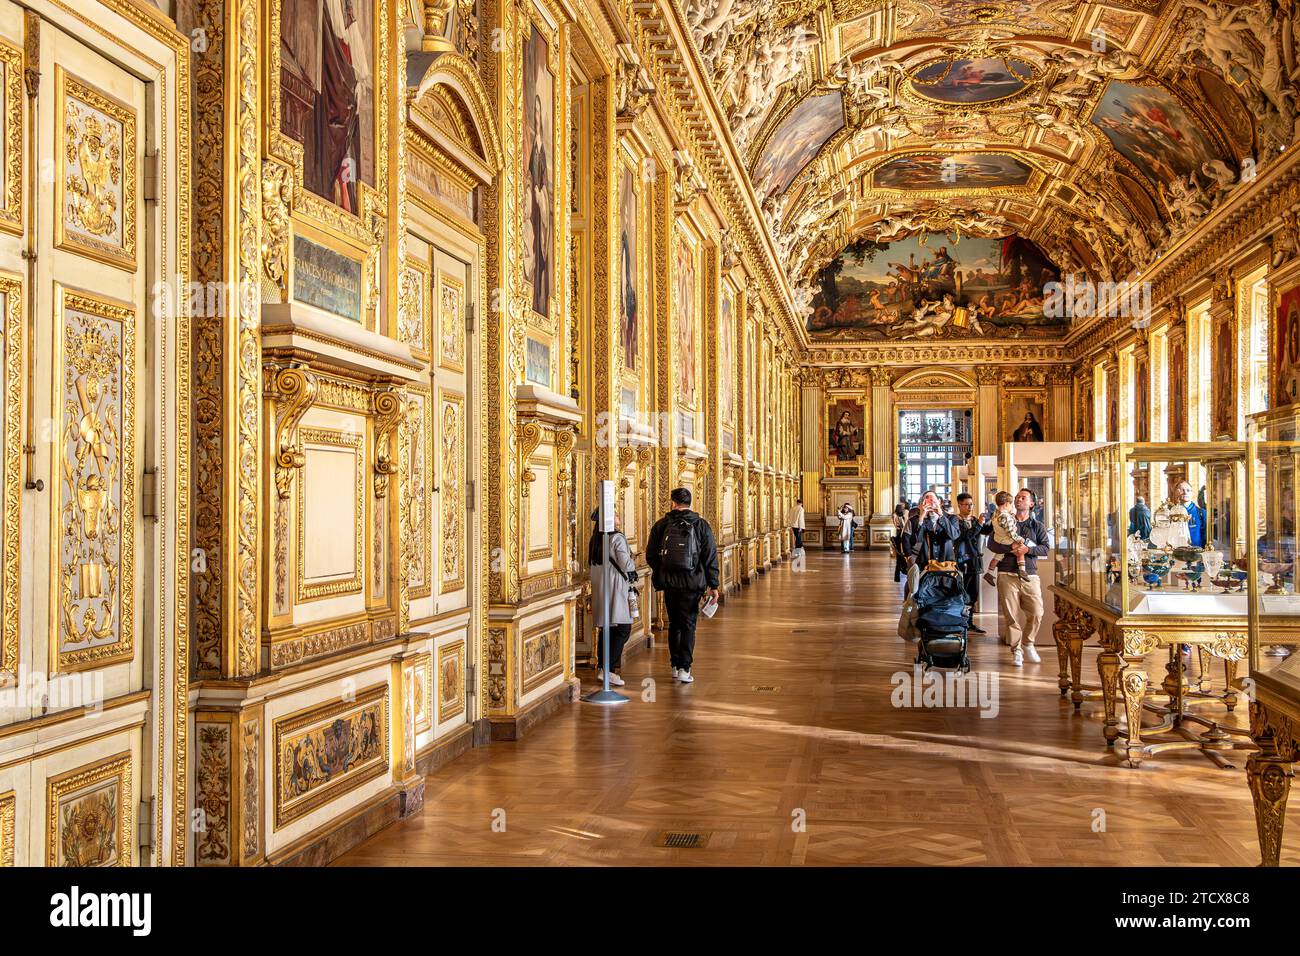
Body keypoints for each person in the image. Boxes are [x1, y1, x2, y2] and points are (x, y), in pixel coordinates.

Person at [646, 488, 720, 683]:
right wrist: (713, 584)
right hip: (692, 583)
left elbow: (651, 555)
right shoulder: (701, 526)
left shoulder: (661, 525)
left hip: (670, 583)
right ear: (690, 503)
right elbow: (710, 556)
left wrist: (663, 570)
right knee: (688, 625)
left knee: (674, 624)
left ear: (673, 503)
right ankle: (685, 669)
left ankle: (674, 665)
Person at [988, 488, 1051, 667]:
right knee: (1011, 616)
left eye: (1023, 498)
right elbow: (991, 543)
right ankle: (1016, 650)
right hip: (1006, 573)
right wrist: (1011, 548)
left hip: (1029, 574)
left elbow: (1045, 548)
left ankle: (1029, 643)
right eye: (1017, 497)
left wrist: (1027, 550)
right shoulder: (1004, 519)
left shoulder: (1037, 526)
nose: (1018, 500)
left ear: (1031, 504)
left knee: (1037, 612)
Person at [588, 509, 636, 686]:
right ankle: (609, 670)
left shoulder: (596, 539)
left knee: (606, 629)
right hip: (616, 588)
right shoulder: (617, 538)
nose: (619, 517)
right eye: (615, 514)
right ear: (609, 520)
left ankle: (603, 668)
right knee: (623, 628)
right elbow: (625, 564)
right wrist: (634, 560)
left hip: (602, 588)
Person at [953, 492, 989, 634]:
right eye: (967, 505)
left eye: (971, 504)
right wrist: (979, 524)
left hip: (974, 561)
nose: (970, 507)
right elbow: (965, 537)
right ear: (959, 505)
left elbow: (985, 531)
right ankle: (960, 622)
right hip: (962, 561)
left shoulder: (974, 520)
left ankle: (969, 622)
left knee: (973, 593)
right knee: (962, 592)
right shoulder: (955, 521)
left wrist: (993, 521)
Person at [906, 490, 963, 573]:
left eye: (933, 498)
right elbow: (915, 541)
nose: (930, 500)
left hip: (946, 563)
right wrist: (921, 517)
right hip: (925, 565)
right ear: (922, 504)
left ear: (939, 502)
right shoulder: (916, 520)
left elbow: (954, 535)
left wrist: (941, 516)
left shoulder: (952, 518)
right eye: (927, 498)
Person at [984, 491, 1031, 585]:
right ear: (1006, 504)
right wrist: (1019, 539)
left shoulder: (995, 514)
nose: (1012, 507)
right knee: (1021, 548)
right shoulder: (1005, 517)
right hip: (1006, 539)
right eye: (1011, 505)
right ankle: (1022, 570)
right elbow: (1011, 532)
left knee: (998, 555)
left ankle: (989, 573)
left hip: (998, 538)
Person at [1175, 481, 1206, 547]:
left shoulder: (1201, 513)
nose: (1185, 492)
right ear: (1176, 492)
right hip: (1177, 551)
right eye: (1182, 490)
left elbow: (1206, 536)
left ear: (1191, 493)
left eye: (1188, 490)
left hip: (1197, 552)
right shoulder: (1172, 513)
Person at [891, 502, 908, 582]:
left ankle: (897, 577)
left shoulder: (894, 514)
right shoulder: (906, 512)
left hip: (899, 532)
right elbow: (907, 523)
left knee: (899, 556)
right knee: (903, 554)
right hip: (904, 533)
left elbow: (895, 524)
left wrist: (898, 527)